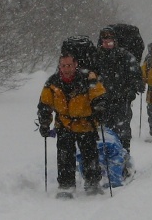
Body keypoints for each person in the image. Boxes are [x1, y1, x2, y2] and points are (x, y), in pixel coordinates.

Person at [37, 53, 107, 196]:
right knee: (64, 157)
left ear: (75, 65)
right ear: (59, 66)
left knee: (90, 156)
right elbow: (45, 105)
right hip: (64, 125)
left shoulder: (88, 79)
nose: (66, 69)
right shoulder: (52, 83)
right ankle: (66, 186)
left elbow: (98, 95)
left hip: (86, 124)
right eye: (63, 65)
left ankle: (92, 183)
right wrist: (44, 123)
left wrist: (100, 107)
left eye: (69, 65)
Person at [95, 26, 144, 154]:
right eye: (104, 42)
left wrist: (134, 88)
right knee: (101, 132)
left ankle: (124, 157)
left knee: (122, 131)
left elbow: (136, 74)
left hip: (122, 99)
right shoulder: (95, 57)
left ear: (115, 41)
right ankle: (102, 159)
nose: (107, 44)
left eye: (109, 41)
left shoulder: (125, 56)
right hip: (101, 101)